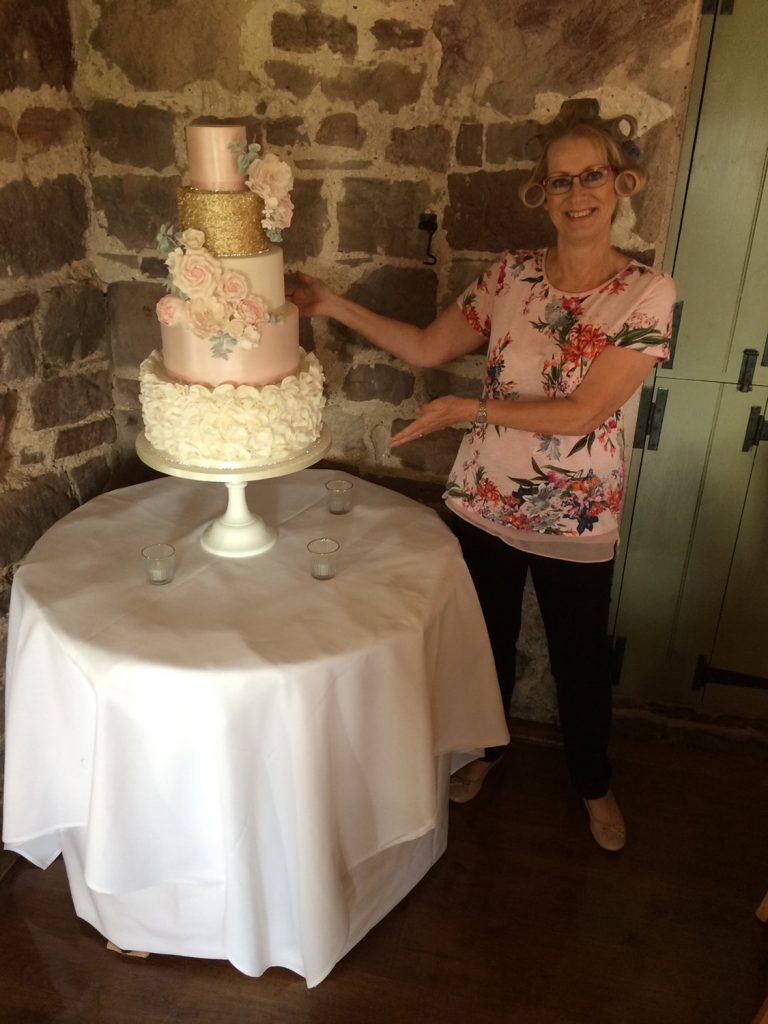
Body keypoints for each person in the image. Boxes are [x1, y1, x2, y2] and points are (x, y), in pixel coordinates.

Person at [287, 98, 675, 852]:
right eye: (559, 182)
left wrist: (474, 407)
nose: (576, 195)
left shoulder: (646, 292)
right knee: (483, 645)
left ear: (620, 183)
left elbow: (584, 411)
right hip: (483, 503)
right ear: (543, 193)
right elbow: (430, 346)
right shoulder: (510, 276)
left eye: (591, 176)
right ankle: (486, 751)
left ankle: (593, 784)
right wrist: (332, 302)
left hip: (574, 516)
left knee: (580, 662)